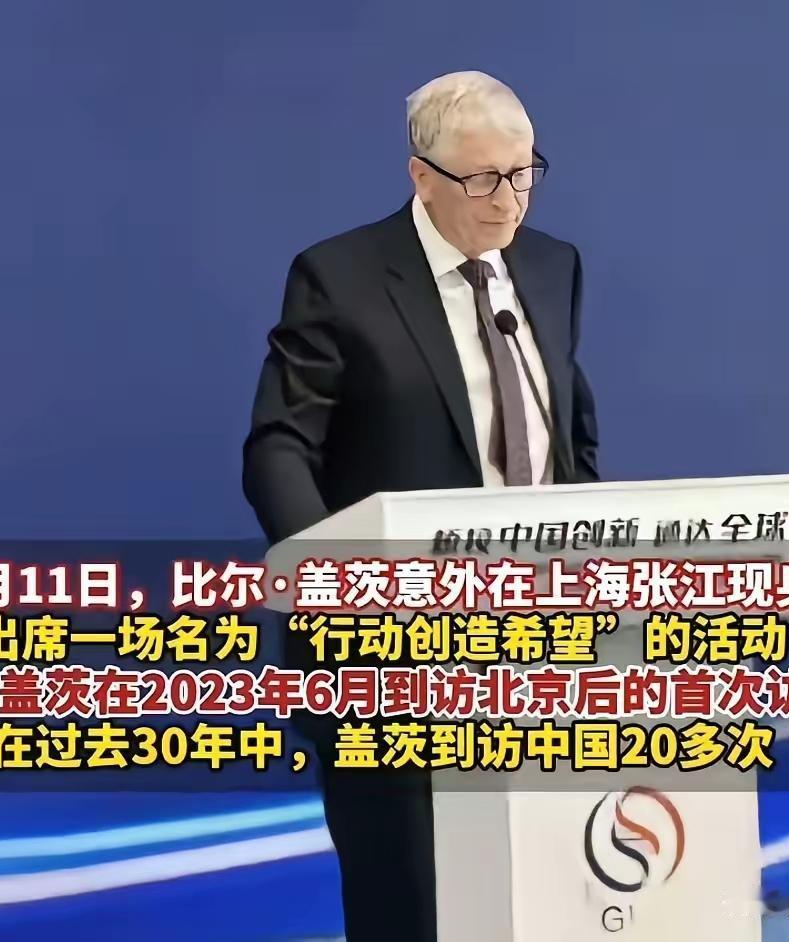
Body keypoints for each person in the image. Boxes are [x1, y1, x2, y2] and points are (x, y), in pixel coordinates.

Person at [242, 70, 599, 942]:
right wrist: (334, 583)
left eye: (523, 173)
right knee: (410, 901)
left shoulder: (551, 266)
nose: (507, 200)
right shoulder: (340, 277)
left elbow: (570, 434)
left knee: (543, 894)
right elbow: (279, 448)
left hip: (536, 644)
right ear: (422, 175)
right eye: (481, 179)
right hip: (390, 653)